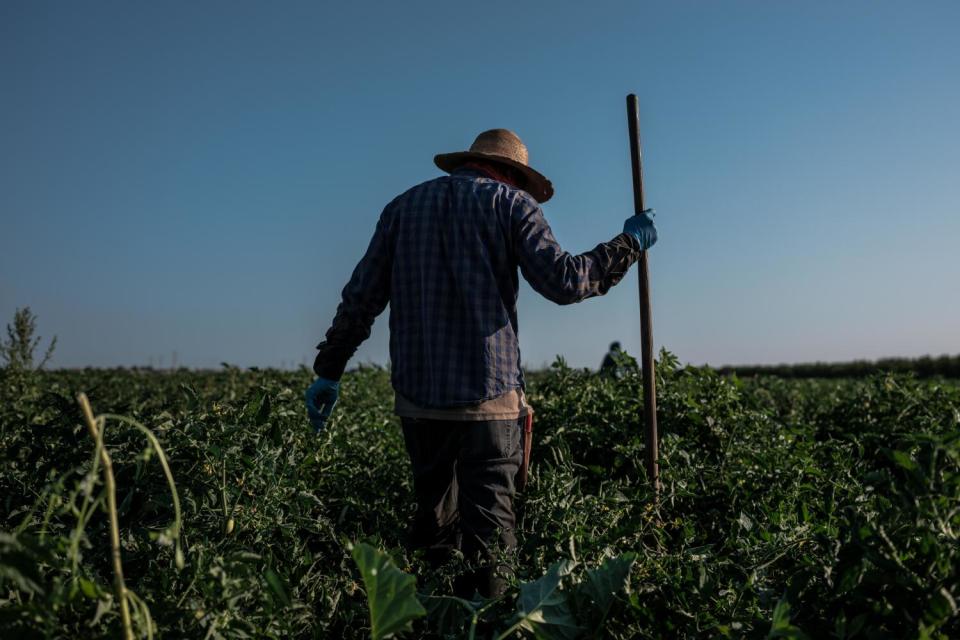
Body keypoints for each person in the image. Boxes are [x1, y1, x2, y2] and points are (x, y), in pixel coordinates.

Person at [304, 129, 657, 598]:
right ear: (512, 174)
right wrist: (628, 244)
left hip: (419, 404)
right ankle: (490, 623)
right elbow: (565, 281)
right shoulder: (512, 206)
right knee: (491, 543)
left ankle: (436, 621)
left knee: (435, 531)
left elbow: (361, 299)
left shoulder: (402, 208)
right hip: (489, 403)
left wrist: (329, 369)